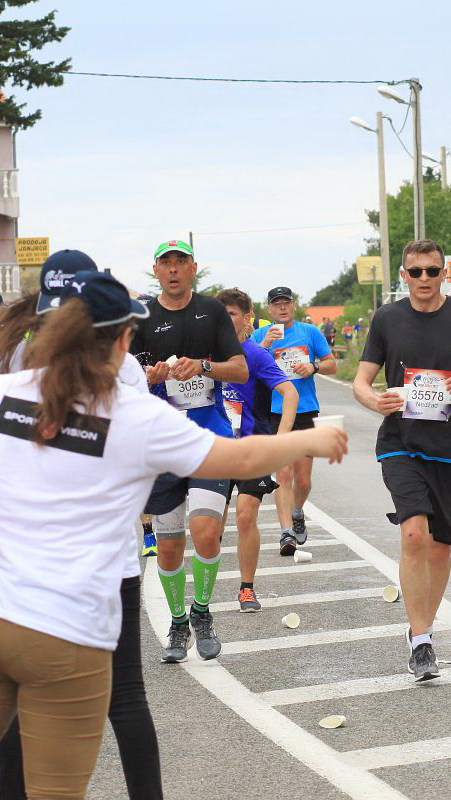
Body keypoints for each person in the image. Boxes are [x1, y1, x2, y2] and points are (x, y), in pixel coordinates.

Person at [0, 271, 345, 798]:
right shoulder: (132, 414)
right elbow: (241, 456)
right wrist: (310, 440)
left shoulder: (6, 389)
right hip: (69, 626)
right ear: (124, 338)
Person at [353, 239, 451, 681]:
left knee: (441, 547)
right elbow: (361, 381)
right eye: (415, 271)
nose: (423, 278)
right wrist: (374, 402)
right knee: (414, 534)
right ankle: (421, 639)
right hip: (400, 440)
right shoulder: (387, 318)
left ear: (445, 274)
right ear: (403, 276)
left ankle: (424, 626)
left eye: (432, 271)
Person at [130, 239, 248, 663]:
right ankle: (178, 620)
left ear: (194, 268)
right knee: (169, 545)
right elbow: (120, 380)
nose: (175, 269)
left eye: (182, 262)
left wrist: (202, 366)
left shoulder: (212, 311)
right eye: (167, 263)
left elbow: (240, 369)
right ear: (156, 270)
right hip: (161, 443)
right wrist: (150, 376)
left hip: (209, 439)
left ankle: (202, 612)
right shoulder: (142, 316)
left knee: (206, 532)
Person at [216, 288, 298, 612]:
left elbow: (289, 395)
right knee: (211, 526)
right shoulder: (206, 355)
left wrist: (281, 440)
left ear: (247, 317)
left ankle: (246, 588)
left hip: (253, 448)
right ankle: (205, 588)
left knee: (246, 514)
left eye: (232, 314)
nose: (225, 320)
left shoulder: (256, 354)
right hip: (218, 449)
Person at [252, 287, 336, 553]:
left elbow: (332, 363)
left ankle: (297, 511)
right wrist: (264, 345)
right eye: (276, 305)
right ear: (269, 310)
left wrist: (314, 367)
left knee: (303, 479)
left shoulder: (309, 332)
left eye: (286, 303)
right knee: (283, 472)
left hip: (304, 409)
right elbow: (246, 367)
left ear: (294, 305)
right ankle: (286, 531)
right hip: (274, 411)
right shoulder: (258, 335)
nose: (282, 308)